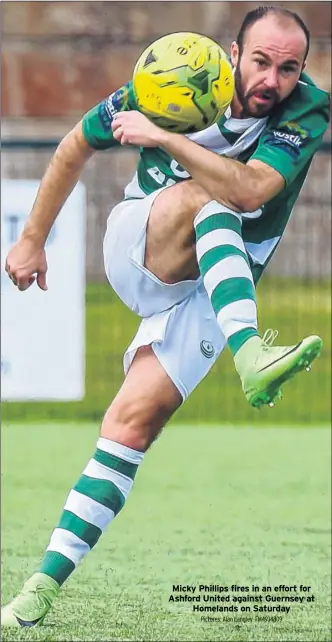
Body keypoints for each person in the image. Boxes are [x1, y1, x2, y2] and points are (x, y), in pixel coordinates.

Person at [2, 5, 330, 628]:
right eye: (260, 61)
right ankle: (253, 352)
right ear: (234, 53)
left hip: (216, 286)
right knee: (208, 197)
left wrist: (166, 139)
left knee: (129, 428)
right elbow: (77, 142)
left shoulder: (307, 108)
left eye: (289, 69)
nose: (273, 80)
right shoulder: (172, 77)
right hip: (141, 242)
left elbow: (255, 190)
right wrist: (32, 239)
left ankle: (38, 589)